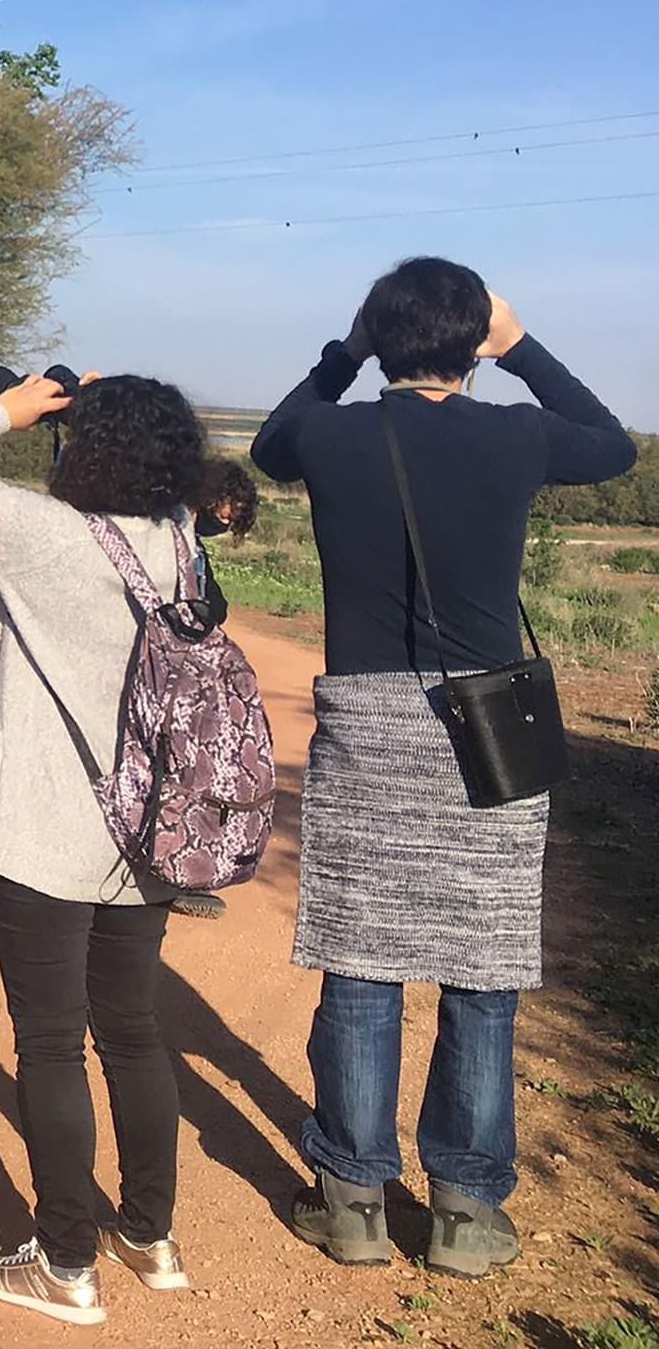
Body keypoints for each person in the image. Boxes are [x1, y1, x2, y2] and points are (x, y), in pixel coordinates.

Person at [252, 259, 635, 1279]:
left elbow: (266, 440)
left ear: (381, 337)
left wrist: (344, 351)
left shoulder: (330, 436)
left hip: (367, 728)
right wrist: (519, 348)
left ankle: (350, 1202)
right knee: (481, 971)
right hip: (488, 731)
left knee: (361, 963)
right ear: (471, 341)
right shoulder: (515, 435)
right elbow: (608, 446)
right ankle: (464, 1212)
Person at [0, 370, 211, 1329]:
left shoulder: (43, 536)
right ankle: (150, 1235)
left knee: (49, 1042)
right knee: (133, 1029)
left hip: (45, 833)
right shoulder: (182, 545)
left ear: (82, 444)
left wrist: (13, 407)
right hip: (147, 834)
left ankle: (66, 1259)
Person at [168, 458, 260, 924]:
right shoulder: (168, 527)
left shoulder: (190, 537)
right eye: (224, 511)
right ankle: (167, 869)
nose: (225, 521)